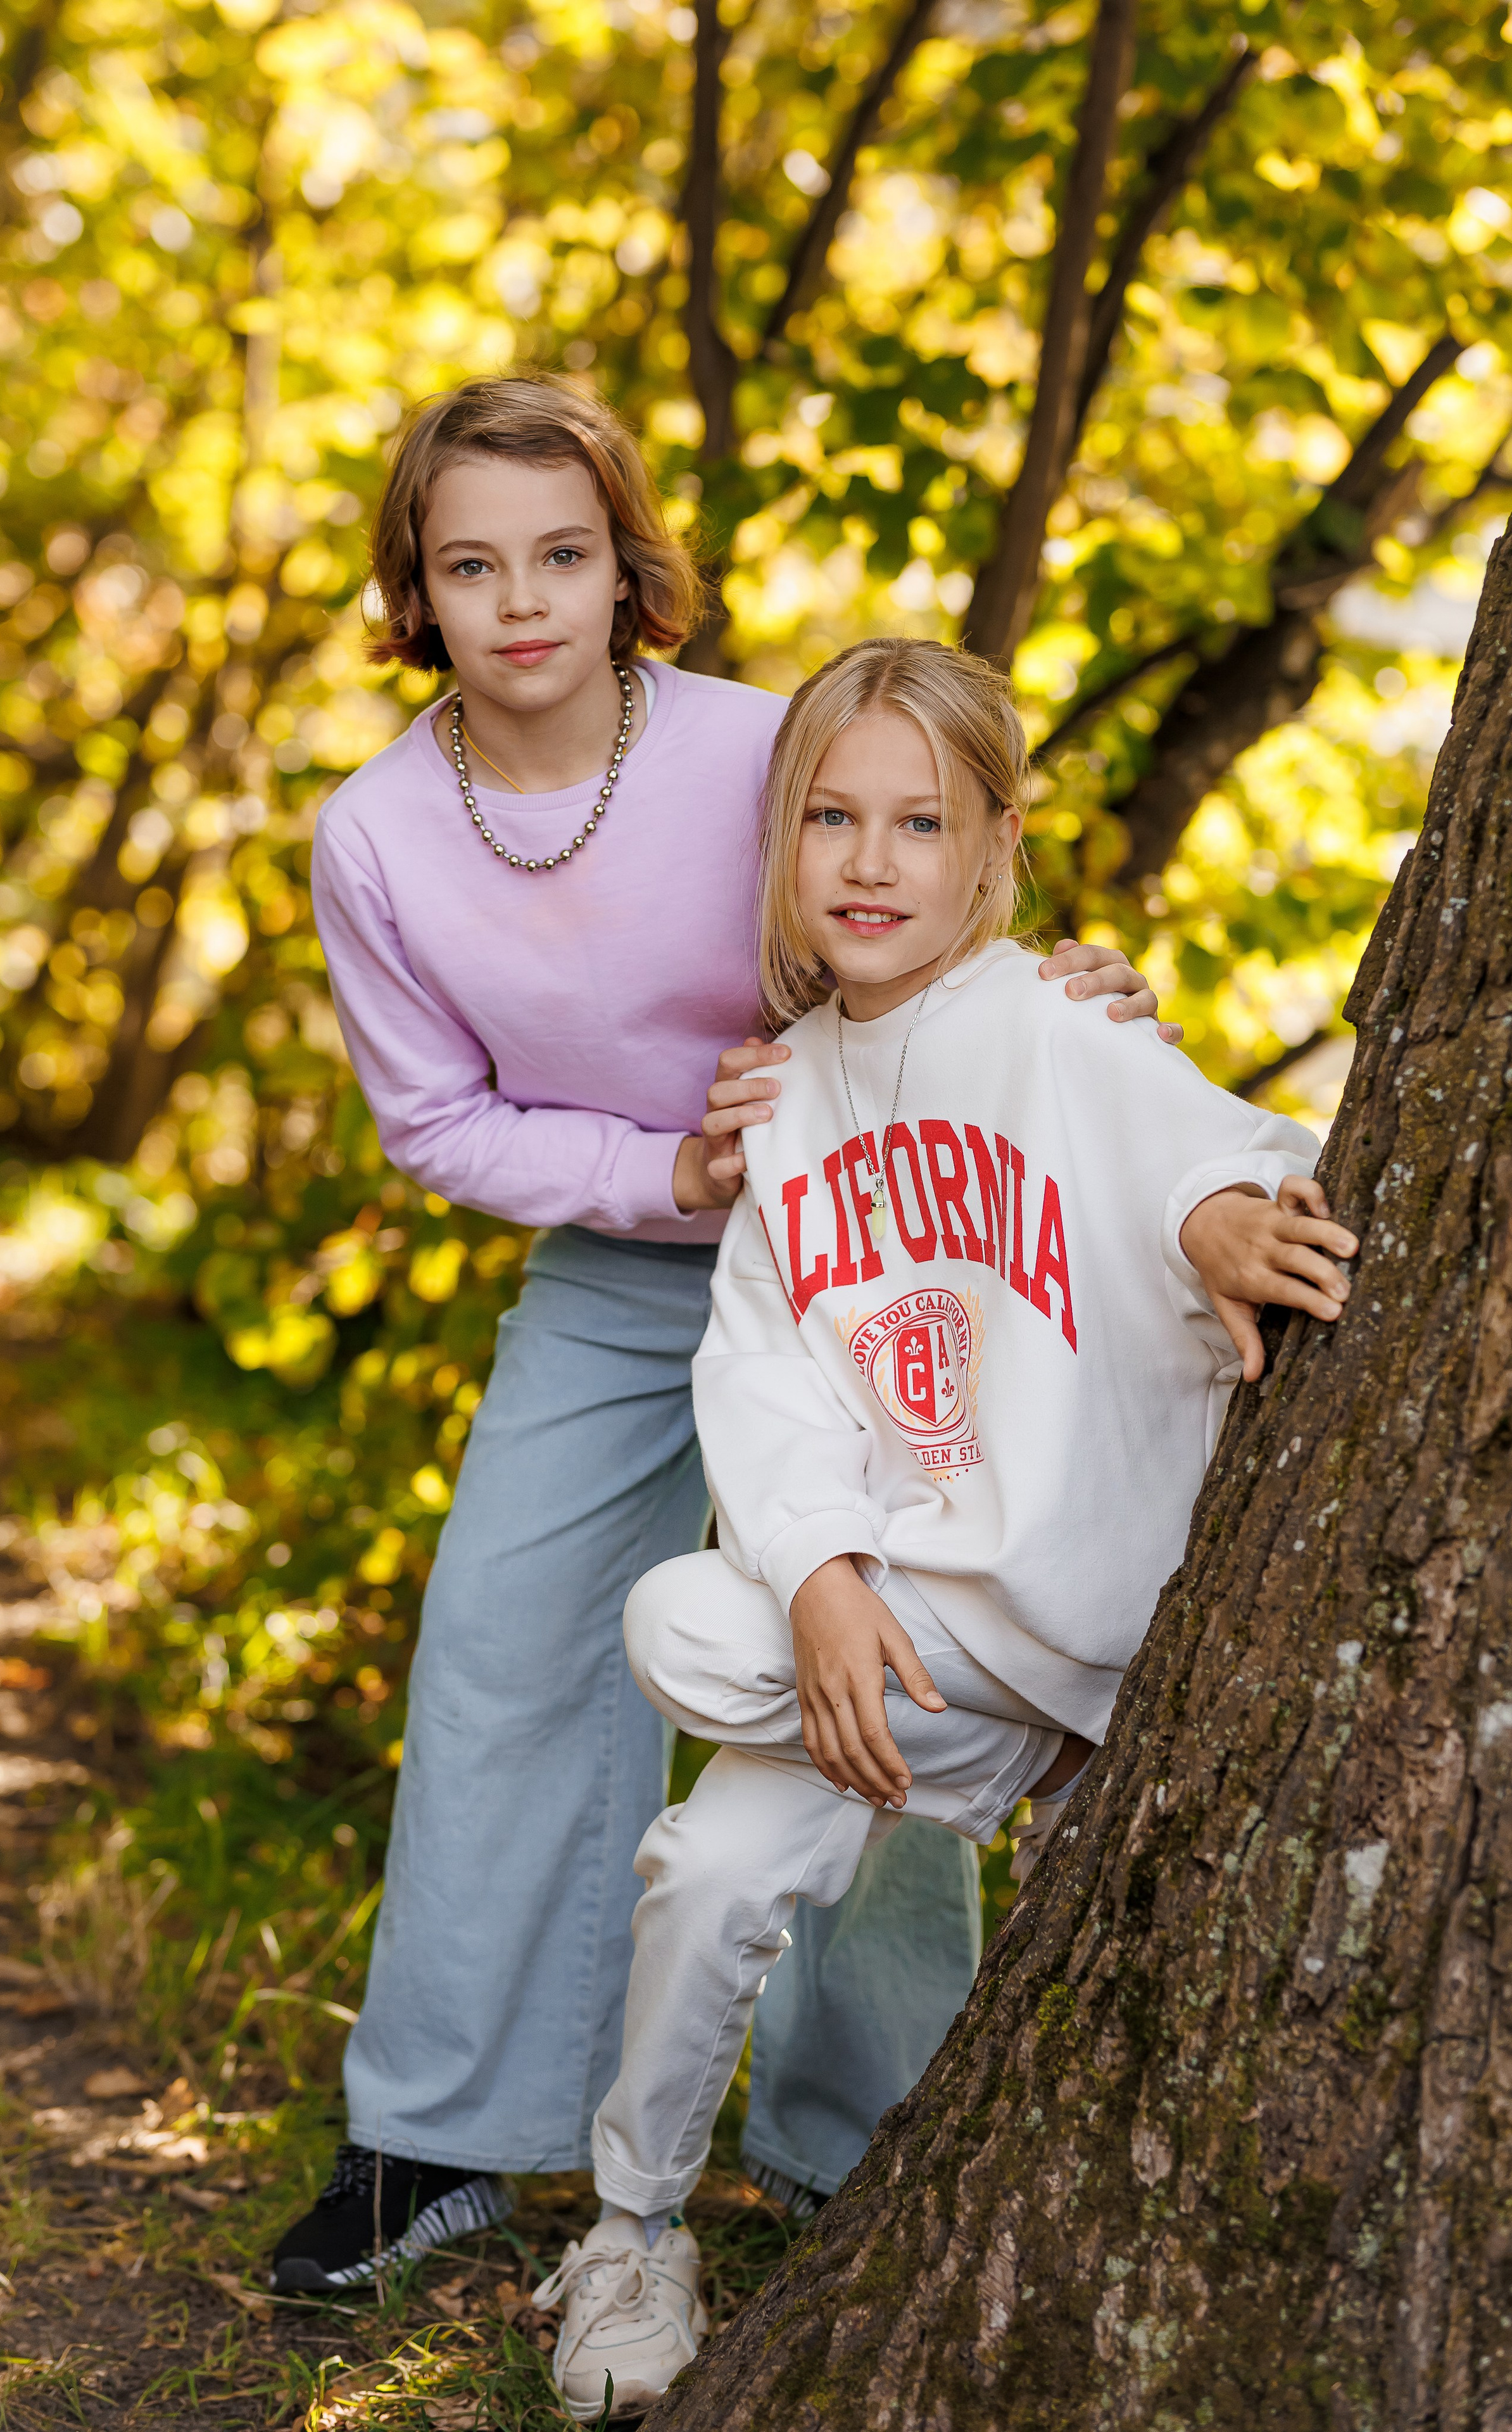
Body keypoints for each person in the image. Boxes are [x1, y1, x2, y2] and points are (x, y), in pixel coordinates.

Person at [273, 376, 1175, 2293]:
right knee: (501, 1640)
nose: (524, 600)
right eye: (471, 566)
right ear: (415, 593)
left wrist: (1067, 994)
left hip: (885, 1260)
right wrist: (666, 1171)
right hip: (629, 1261)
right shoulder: (375, 836)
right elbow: (437, 1123)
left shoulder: (763, 743)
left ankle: (856, 2141)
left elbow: (925, 898)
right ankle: (440, 2140)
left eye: (564, 554)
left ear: (628, 569)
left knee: (901, 1650)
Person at [532, 636, 1358, 2418]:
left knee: (698, 1643)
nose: (872, 862)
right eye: (830, 818)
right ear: (781, 843)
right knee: (703, 1793)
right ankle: (632, 2232)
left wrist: (1218, 1219)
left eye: (921, 822)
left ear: (994, 845)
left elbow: (1201, 1145)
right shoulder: (783, 1103)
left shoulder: (1054, 1020)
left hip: (1114, 1651)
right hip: (909, 1659)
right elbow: (764, 1375)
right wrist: (822, 1580)